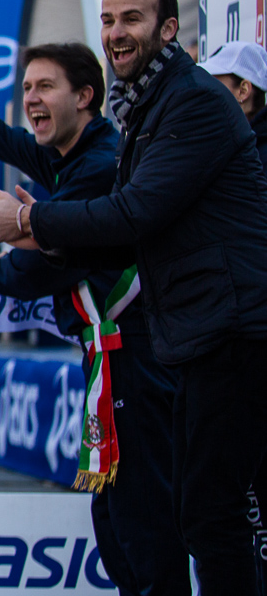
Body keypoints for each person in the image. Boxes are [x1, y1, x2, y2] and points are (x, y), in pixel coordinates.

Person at [0, 0, 267, 595]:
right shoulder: (148, 107)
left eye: (131, 19)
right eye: (107, 20)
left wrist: (30, 221)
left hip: (229, 331)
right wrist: (39, 232)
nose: (115, 32)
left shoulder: (192, 101)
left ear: (169, 29)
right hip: (196, 336)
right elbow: (125, 232)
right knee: (184, 515)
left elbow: (133, 213)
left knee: (204, 517)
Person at [0, 38, 189, 594]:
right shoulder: (71, 152)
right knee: (114, 523)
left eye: (45, 87)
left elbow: (52, 266)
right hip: (114, 360)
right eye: (26, 88)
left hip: (137, 358)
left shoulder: (96, 165)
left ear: (86, 96)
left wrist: (8, 259)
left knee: (141, 525)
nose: (31, 99)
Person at [196, 40, 267, 593]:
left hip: (242, 342)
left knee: (218, 509)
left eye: (211, 86)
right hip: (228, 339)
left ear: (245, 91)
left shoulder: (242, 160)